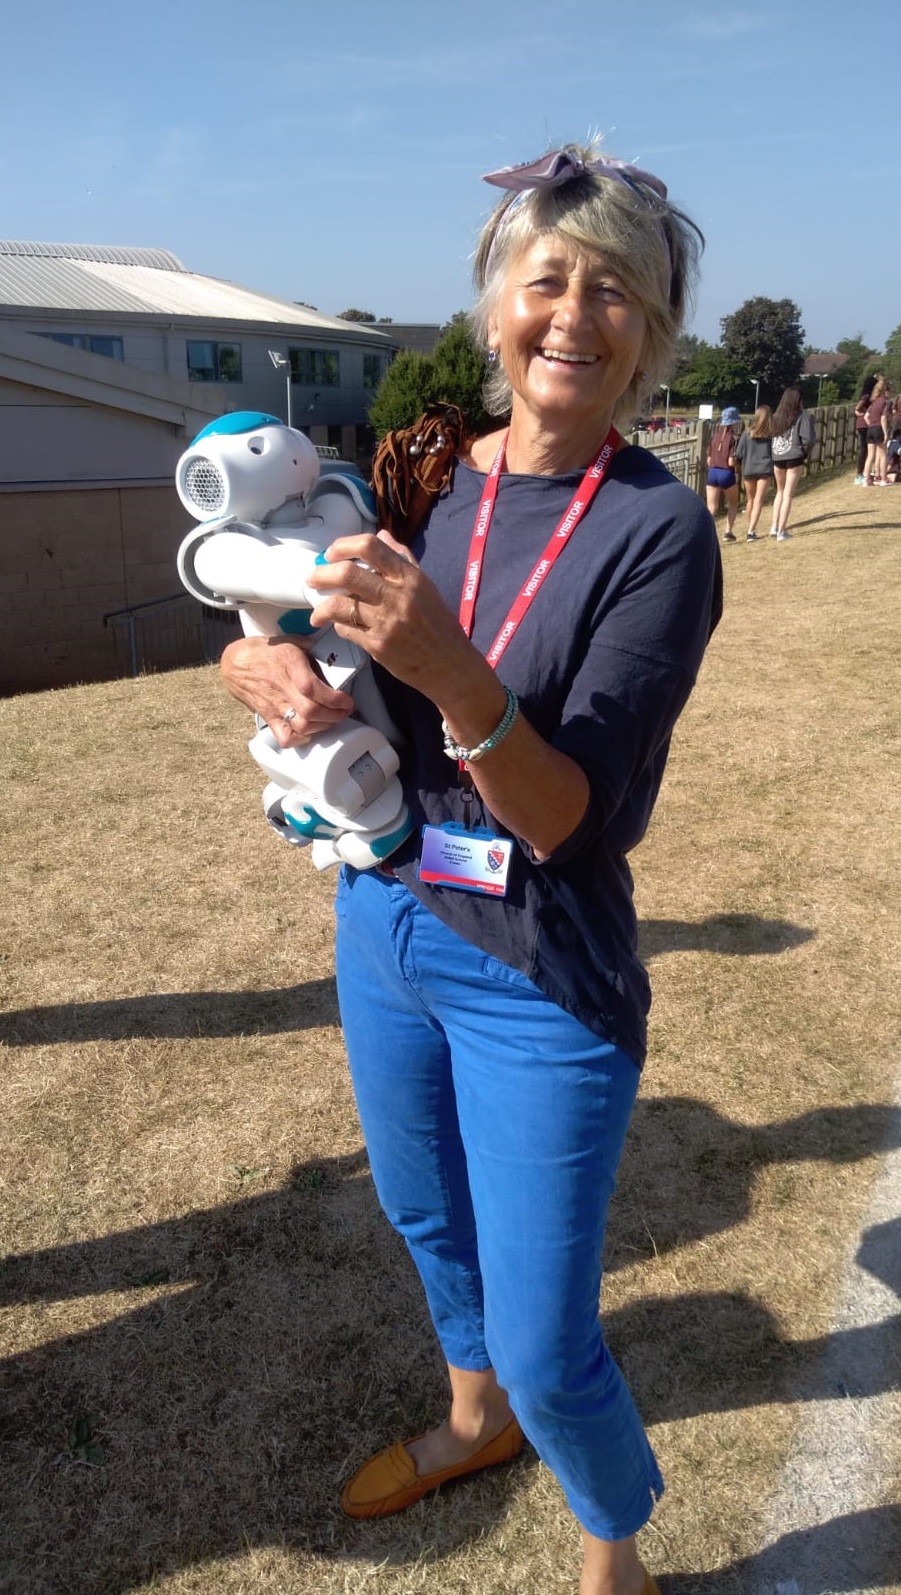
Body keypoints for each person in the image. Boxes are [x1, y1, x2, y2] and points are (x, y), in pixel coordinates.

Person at [219, 141, 721, 1595]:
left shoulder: (659, 529)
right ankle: (468, 1416)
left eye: (615, 289)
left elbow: (573, 817)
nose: (574, 313)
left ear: (654, 330)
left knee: (552, 1333)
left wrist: (443, 662)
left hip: (538, 970)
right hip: (384, 914)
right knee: (422, 1212)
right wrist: (273, 673)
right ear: (497, 301)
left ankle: (611, 1553)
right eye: (546, 277)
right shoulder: (418, 471)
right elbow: (312, 629)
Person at [769, 386, 816, 540]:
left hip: (777, 457)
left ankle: (774, 527)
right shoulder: (802, 416)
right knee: (788, 494)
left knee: (779, 492)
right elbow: (808, 439)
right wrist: (804, 452)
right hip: (794, 457)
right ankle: (782, 531)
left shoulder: (776, 417)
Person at [734, 404, 774, 539]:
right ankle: (751, 531)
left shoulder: (747, 433)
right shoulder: (770, 435)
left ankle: (749, 528)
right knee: (758, 500)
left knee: (750, 500)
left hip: (749, 469)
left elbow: (738, 453)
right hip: (765, 468)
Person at [705, 404, 742, 541]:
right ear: (734, 422)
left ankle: (706, 533)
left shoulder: (714, 437)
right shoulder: (734, 438)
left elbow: (708, 460)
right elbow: (731, 462)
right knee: (733, 503)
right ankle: (728, 532)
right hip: (726, 473)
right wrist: (739, 468)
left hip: (712, 472)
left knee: (711, 508)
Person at [861, 378, 892, 486]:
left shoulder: (873, 402)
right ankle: (883, 479)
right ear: (885, 391)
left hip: (870, 429)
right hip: (879, 428)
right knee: (883, 455)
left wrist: (871, 425)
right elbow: (883, 418)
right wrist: (885, 433)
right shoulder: (885, 402)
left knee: (870, 456)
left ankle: (866, 479)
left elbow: (866, 416)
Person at [853, 375, 878, 484]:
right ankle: (859, 474)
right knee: (864, 448)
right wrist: (864, 413)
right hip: (864, 423)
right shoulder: (867, 395)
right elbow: (858, 407)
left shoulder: (866, 394)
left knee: (867, 449)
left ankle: (863, 472)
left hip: (863, 423)